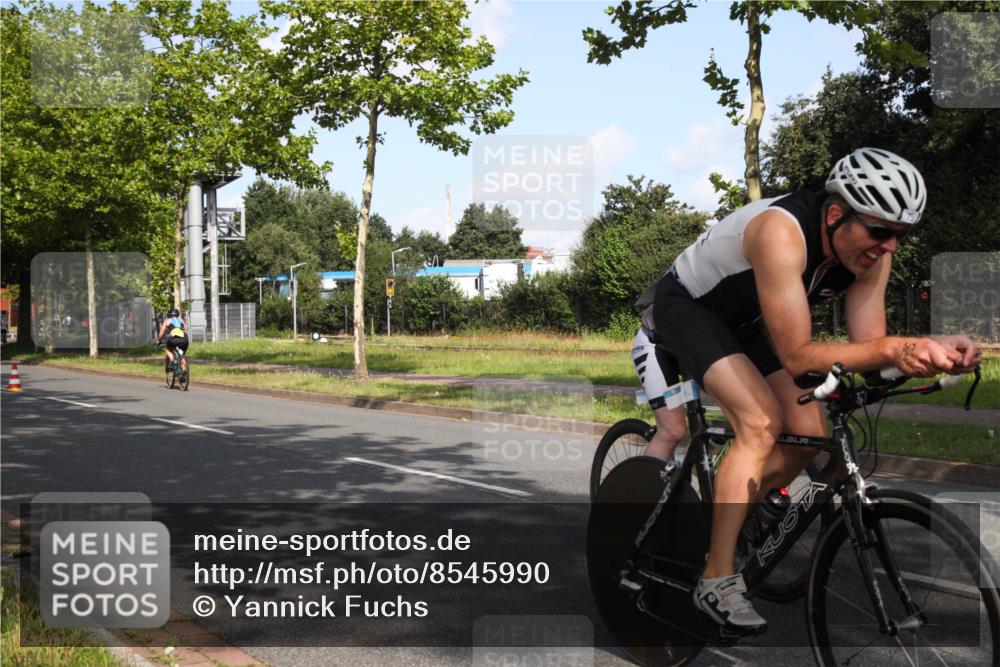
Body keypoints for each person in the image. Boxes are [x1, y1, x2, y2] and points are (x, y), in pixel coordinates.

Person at [633, 147, 979, 635]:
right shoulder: (781, 230)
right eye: (880, 230)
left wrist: (927, 356)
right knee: (759, 423)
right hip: (691, 309)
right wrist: (897, 347)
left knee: (809, 431)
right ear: (836, 214)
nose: (890, 247)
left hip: (751, 323)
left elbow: (871, 350)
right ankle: (715, 577)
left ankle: (735, 508)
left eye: (900, 235)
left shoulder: (867, 255)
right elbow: (798, 355)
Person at [156, 308, 189, 377]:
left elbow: (161, 333)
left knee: (167, 348)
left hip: (174, 339)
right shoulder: (181, 320)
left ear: (168, 314)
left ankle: (172, 359)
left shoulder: (167, 321)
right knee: (182, 354)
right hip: (185, 340)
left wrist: (158, 341)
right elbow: (186, 331)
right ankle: (184, 371)